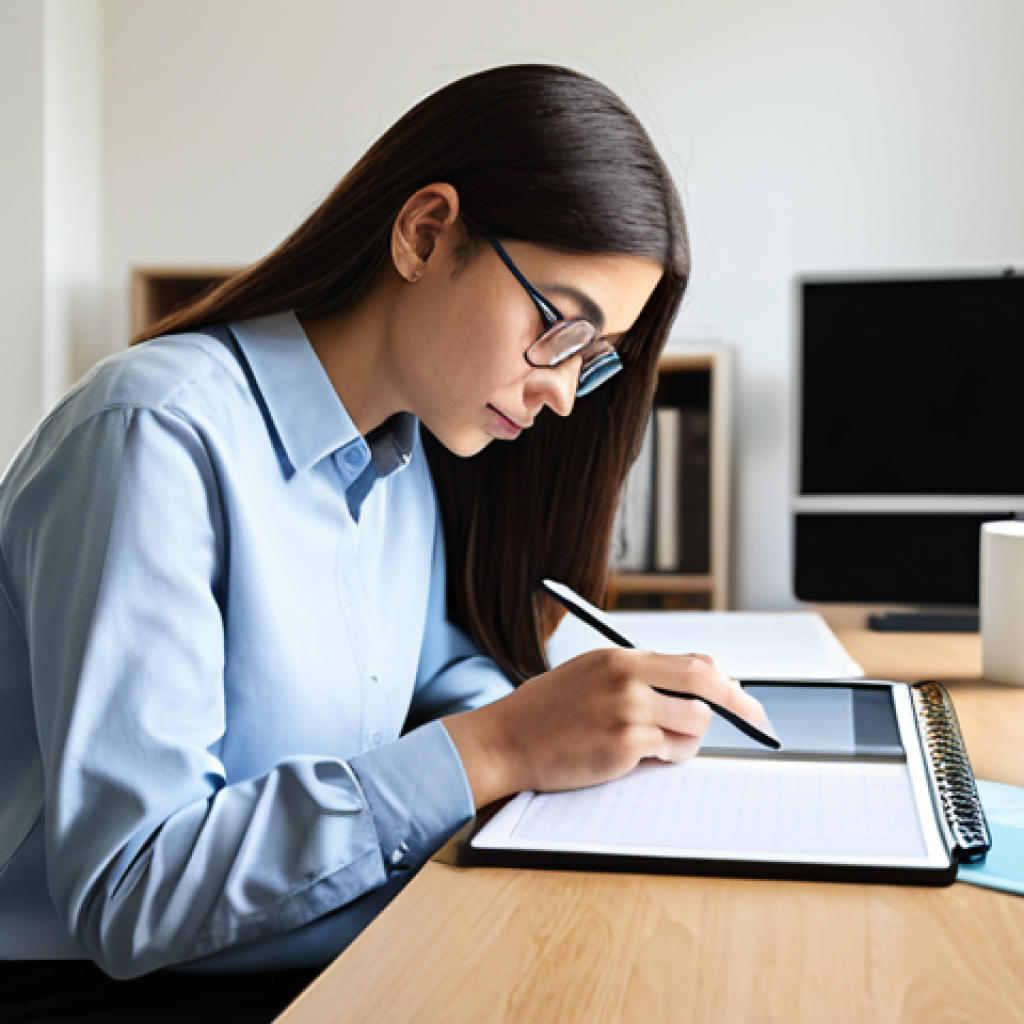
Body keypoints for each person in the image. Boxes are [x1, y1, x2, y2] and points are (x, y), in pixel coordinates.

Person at [0, 64, 765, 1021]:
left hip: (326, 950)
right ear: (425, 233)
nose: (566, 393)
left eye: (593, 355)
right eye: (558, 328)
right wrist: (497, 748)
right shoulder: (155, 435)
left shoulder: (402, 452)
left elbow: (437, 667)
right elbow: (134, 892)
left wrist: (552, 727)